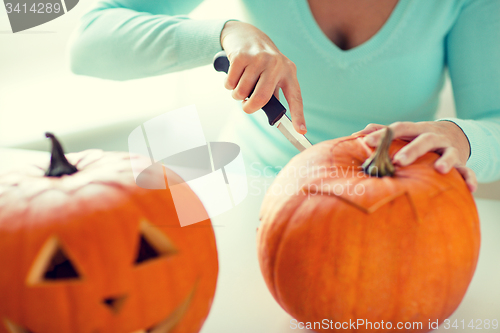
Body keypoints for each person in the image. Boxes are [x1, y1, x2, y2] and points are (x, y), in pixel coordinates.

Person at [69, 0, 500, 191]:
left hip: (391, 205)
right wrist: (225, 35)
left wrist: (461, 138)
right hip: (244, 195)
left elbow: (493, 121)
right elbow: (88, 42)